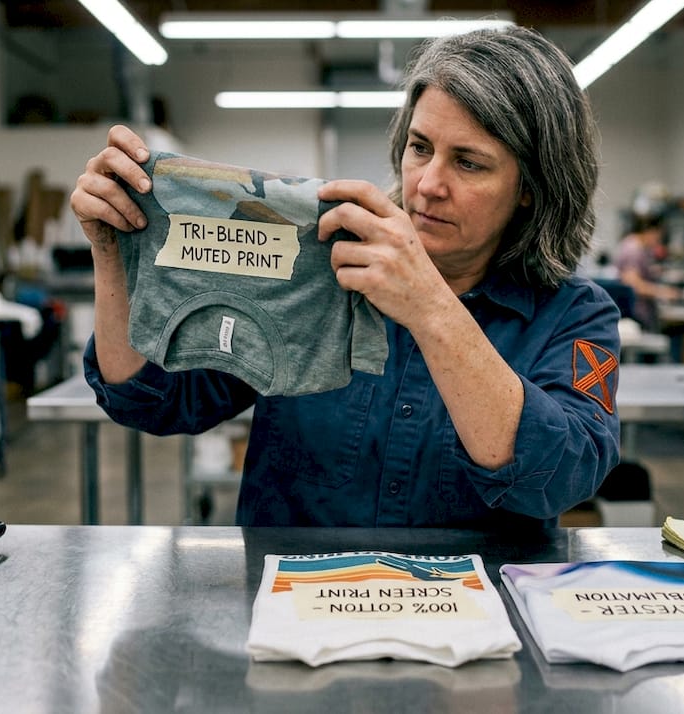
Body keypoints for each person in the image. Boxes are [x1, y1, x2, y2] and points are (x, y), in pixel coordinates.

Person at [70, 26, 621, 534]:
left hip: (475, 624)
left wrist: (430, 307)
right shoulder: (315, 267)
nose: (428, 184)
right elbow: (156, 400)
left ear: (531, 185)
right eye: (421, 147)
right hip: (294, 613)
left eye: (469, 163)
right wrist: (113, 252)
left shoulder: (574, 314)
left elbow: (558, 478)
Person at [614, 213, 679, 330]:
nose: (658, 241)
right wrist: (663, 292)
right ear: (651, 232)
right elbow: (633, 285)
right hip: (636, 312)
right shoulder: (633, 249)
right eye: (658, 236)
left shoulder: (640, 247)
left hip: (641, 310)